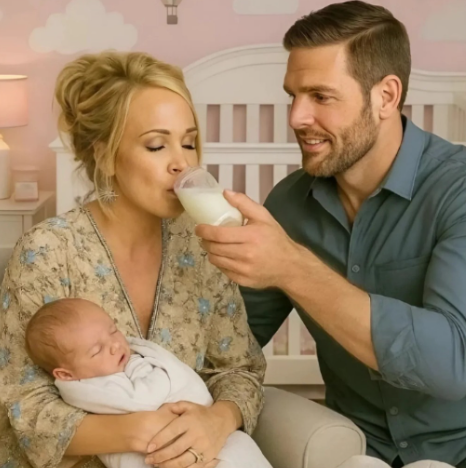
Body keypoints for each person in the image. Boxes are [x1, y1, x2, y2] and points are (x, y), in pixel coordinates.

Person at [196, 1, 466, 467]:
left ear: (386, 97)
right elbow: (230, 343)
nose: (297, 117)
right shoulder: (289, 204)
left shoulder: (456, 190)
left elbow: (453, 364)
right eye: (293, 96)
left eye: (321, 96)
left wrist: (292, 268)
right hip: (353, 449)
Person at [0, 50, 265, 468]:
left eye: (189, 143)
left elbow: (240, 369)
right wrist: (141, 432)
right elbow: (22, 405)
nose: (183, 163)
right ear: (105, 155)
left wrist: (217, 420)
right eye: (157, 145)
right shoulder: (47, 252)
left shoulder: (200, 246)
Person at [24, 298, 272, 468]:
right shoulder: (91, 389)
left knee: (240, 447)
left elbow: (241, 369)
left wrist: (219, 418)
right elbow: (144, 399)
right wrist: (140, 365)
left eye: (113, 330)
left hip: (203, 434)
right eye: (97, 350)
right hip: (161, 451)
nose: (115, 345)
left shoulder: (112, 362)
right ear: (66, 375)